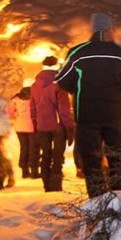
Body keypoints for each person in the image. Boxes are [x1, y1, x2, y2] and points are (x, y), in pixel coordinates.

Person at [55, 13, 121, 198]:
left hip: (86, 114)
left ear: (92, 29)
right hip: (114, 114)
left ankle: (96, 200)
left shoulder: (78, 53)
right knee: (116, 158)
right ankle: (120, 199)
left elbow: (62, 80)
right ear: (112, 29)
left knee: (91, 160)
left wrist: (78, 91)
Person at [30, 56, 75, 192]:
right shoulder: (59, 84)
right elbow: (64, 109)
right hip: (58, 126)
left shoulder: (34, 85)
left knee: (46, 154)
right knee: (57, 156)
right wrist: (69, 126)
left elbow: (32, 108)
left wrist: (36, 125)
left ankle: (46, 185)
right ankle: (55, 186)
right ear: (56, 66)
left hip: (42, 126)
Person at [7, 85, 38, 179]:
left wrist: (16, 116)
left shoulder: (15, 99)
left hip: (19, 127)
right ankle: (34, 171)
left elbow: (10, 113)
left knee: (24, 148)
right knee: (33, 148)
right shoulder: (34, 99)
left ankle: (24, 171)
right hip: (32, 127)